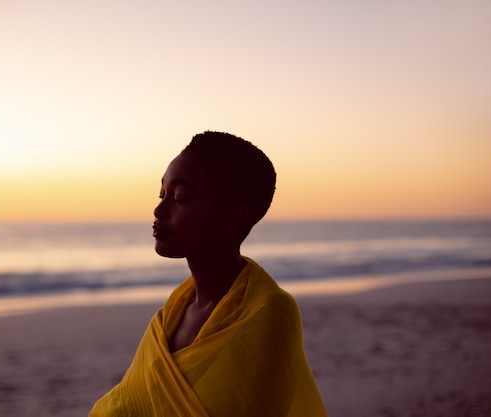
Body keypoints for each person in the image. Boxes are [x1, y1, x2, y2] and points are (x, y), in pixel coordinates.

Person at [89, 131, 327, 417]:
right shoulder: (171, 315)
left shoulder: (268, 313)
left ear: (232, 217)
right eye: (162, 194)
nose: (159, 209)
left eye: (180, 197)